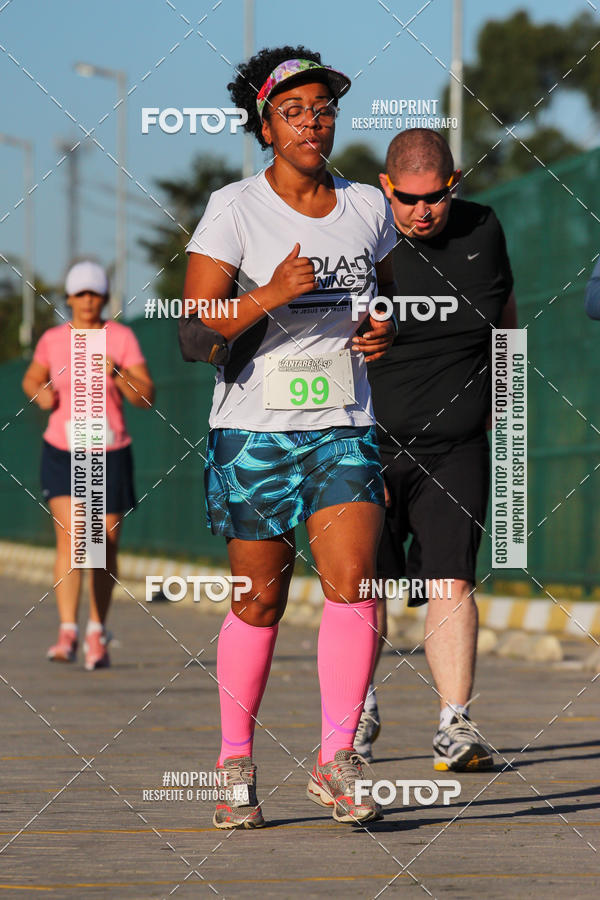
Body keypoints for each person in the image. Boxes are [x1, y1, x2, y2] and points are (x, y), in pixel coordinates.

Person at [182, 45, 397, 829]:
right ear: (265, 125)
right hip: (254, 429)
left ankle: (337, 761)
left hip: (342, 425)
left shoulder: (367, 205)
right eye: (295, 111)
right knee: (260, 599)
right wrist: (269, 294)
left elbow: (386, 297)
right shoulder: (235, 207)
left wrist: (383, 329)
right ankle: (234, 761)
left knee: (355, 580)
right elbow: (194, 333)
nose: (314, 122)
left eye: (325, 109)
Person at [356, 129, 517, 770]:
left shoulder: (484, 229)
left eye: (436, 197)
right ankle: (356, 710)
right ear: (385, 188)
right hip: (366, 441)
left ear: (454, 184)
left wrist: (506, 406)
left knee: (452, 578)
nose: (423, 212)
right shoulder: (359, 236)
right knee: (364, 584)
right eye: (408, 199)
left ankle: (456, 725)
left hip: (456, 446)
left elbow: (505, 317)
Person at [22, 261, 155, 670]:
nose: (87, 301)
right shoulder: (52, 339)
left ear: (104, 298)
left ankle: (97, 631)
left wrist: (118, 373)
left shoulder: (122, 338)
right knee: (74, 535)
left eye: (94, 293)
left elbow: (146, 396)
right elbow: (31, 379)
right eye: (80, 293)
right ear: (69, 298)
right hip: (63, 449)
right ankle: (67, 630)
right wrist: (41, 394)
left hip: (109, 450)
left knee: (103, 544)